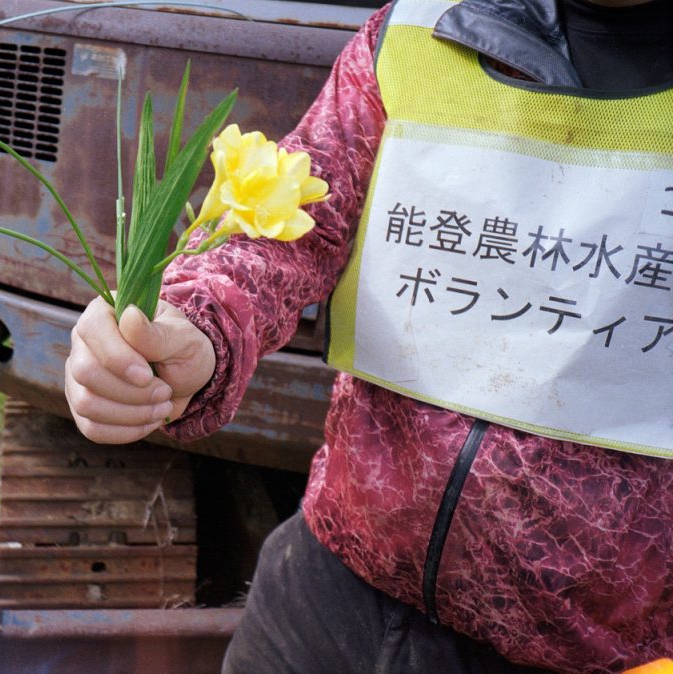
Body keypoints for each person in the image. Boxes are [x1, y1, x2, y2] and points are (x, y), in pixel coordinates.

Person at [64, 0, 673, 671]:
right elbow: (296, 212)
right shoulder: (418, 30)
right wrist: (193, 324)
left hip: (590, 654)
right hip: (327, 591)